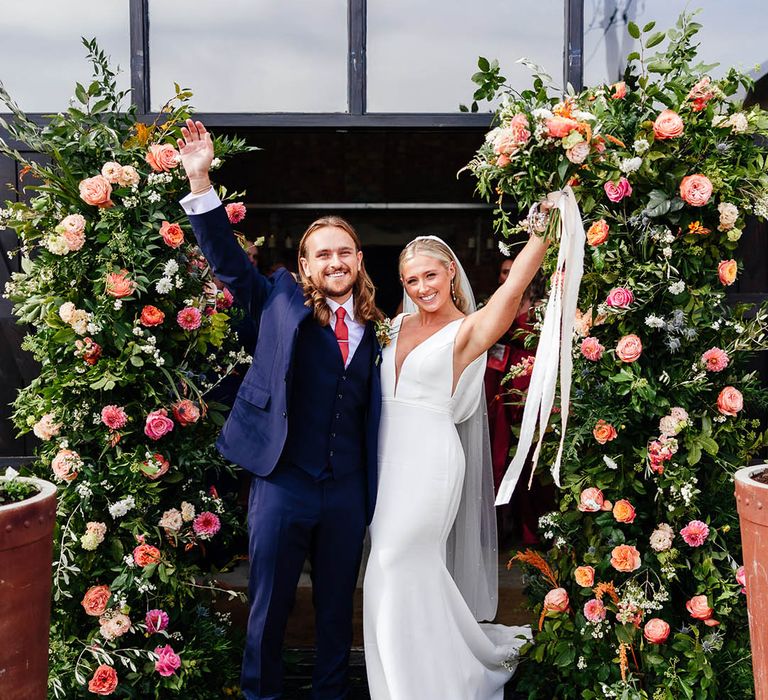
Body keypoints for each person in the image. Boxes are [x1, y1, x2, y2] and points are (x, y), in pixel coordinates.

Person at [176, 120, 384, 700]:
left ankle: (330, 694)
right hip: (283, 480)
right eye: (324, 254)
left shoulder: (381, 328)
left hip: (347, 489)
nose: (335, 261)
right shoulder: (275, 297)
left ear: (359, 259)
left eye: (345, 251)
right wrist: (200, 179)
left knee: (338, 608)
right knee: (269, 605)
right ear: (306, 262)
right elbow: (227, 263)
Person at [363, 233, 548, 699]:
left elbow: (511, 292)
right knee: (393, 568)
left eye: (430, 275)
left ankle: (414, 687)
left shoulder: (468, 330)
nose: (422, 287)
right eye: (411, 279)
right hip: (383, 462)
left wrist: (542, 235)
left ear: (450, 272)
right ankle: (414, 673)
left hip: (431, 461)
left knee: (396, 558)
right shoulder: (392, 326)